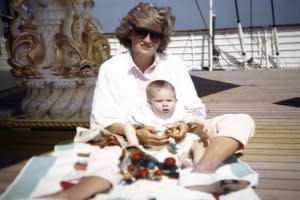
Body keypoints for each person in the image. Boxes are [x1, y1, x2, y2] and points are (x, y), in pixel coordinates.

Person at [37, 2, 255, 199]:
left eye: (155, 35)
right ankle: (70, 197)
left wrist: (185, 124)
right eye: (142, 32)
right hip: (128, 138)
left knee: (241, 120)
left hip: (177, 135)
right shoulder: (111, 69)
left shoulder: (174, 64)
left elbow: (194, 107)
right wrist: (137, 132)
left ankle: (201, 173)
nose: (148, 39)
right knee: (106, 154)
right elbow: (102, 118)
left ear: (162, 40)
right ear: (130, 33)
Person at [124, 79, 205, 167]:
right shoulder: (145, 114)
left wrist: (202, 123)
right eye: (159, 101)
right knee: (156, 157)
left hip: (180, 143)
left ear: (175, 100)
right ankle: (179, 164)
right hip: (157, 147)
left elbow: (192, 119)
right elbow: (128, 125)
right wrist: (133, 142)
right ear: (149, 102)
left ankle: (199, 164)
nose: (165, 104)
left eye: (169, 100)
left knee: (198, 143)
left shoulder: (178, 111)